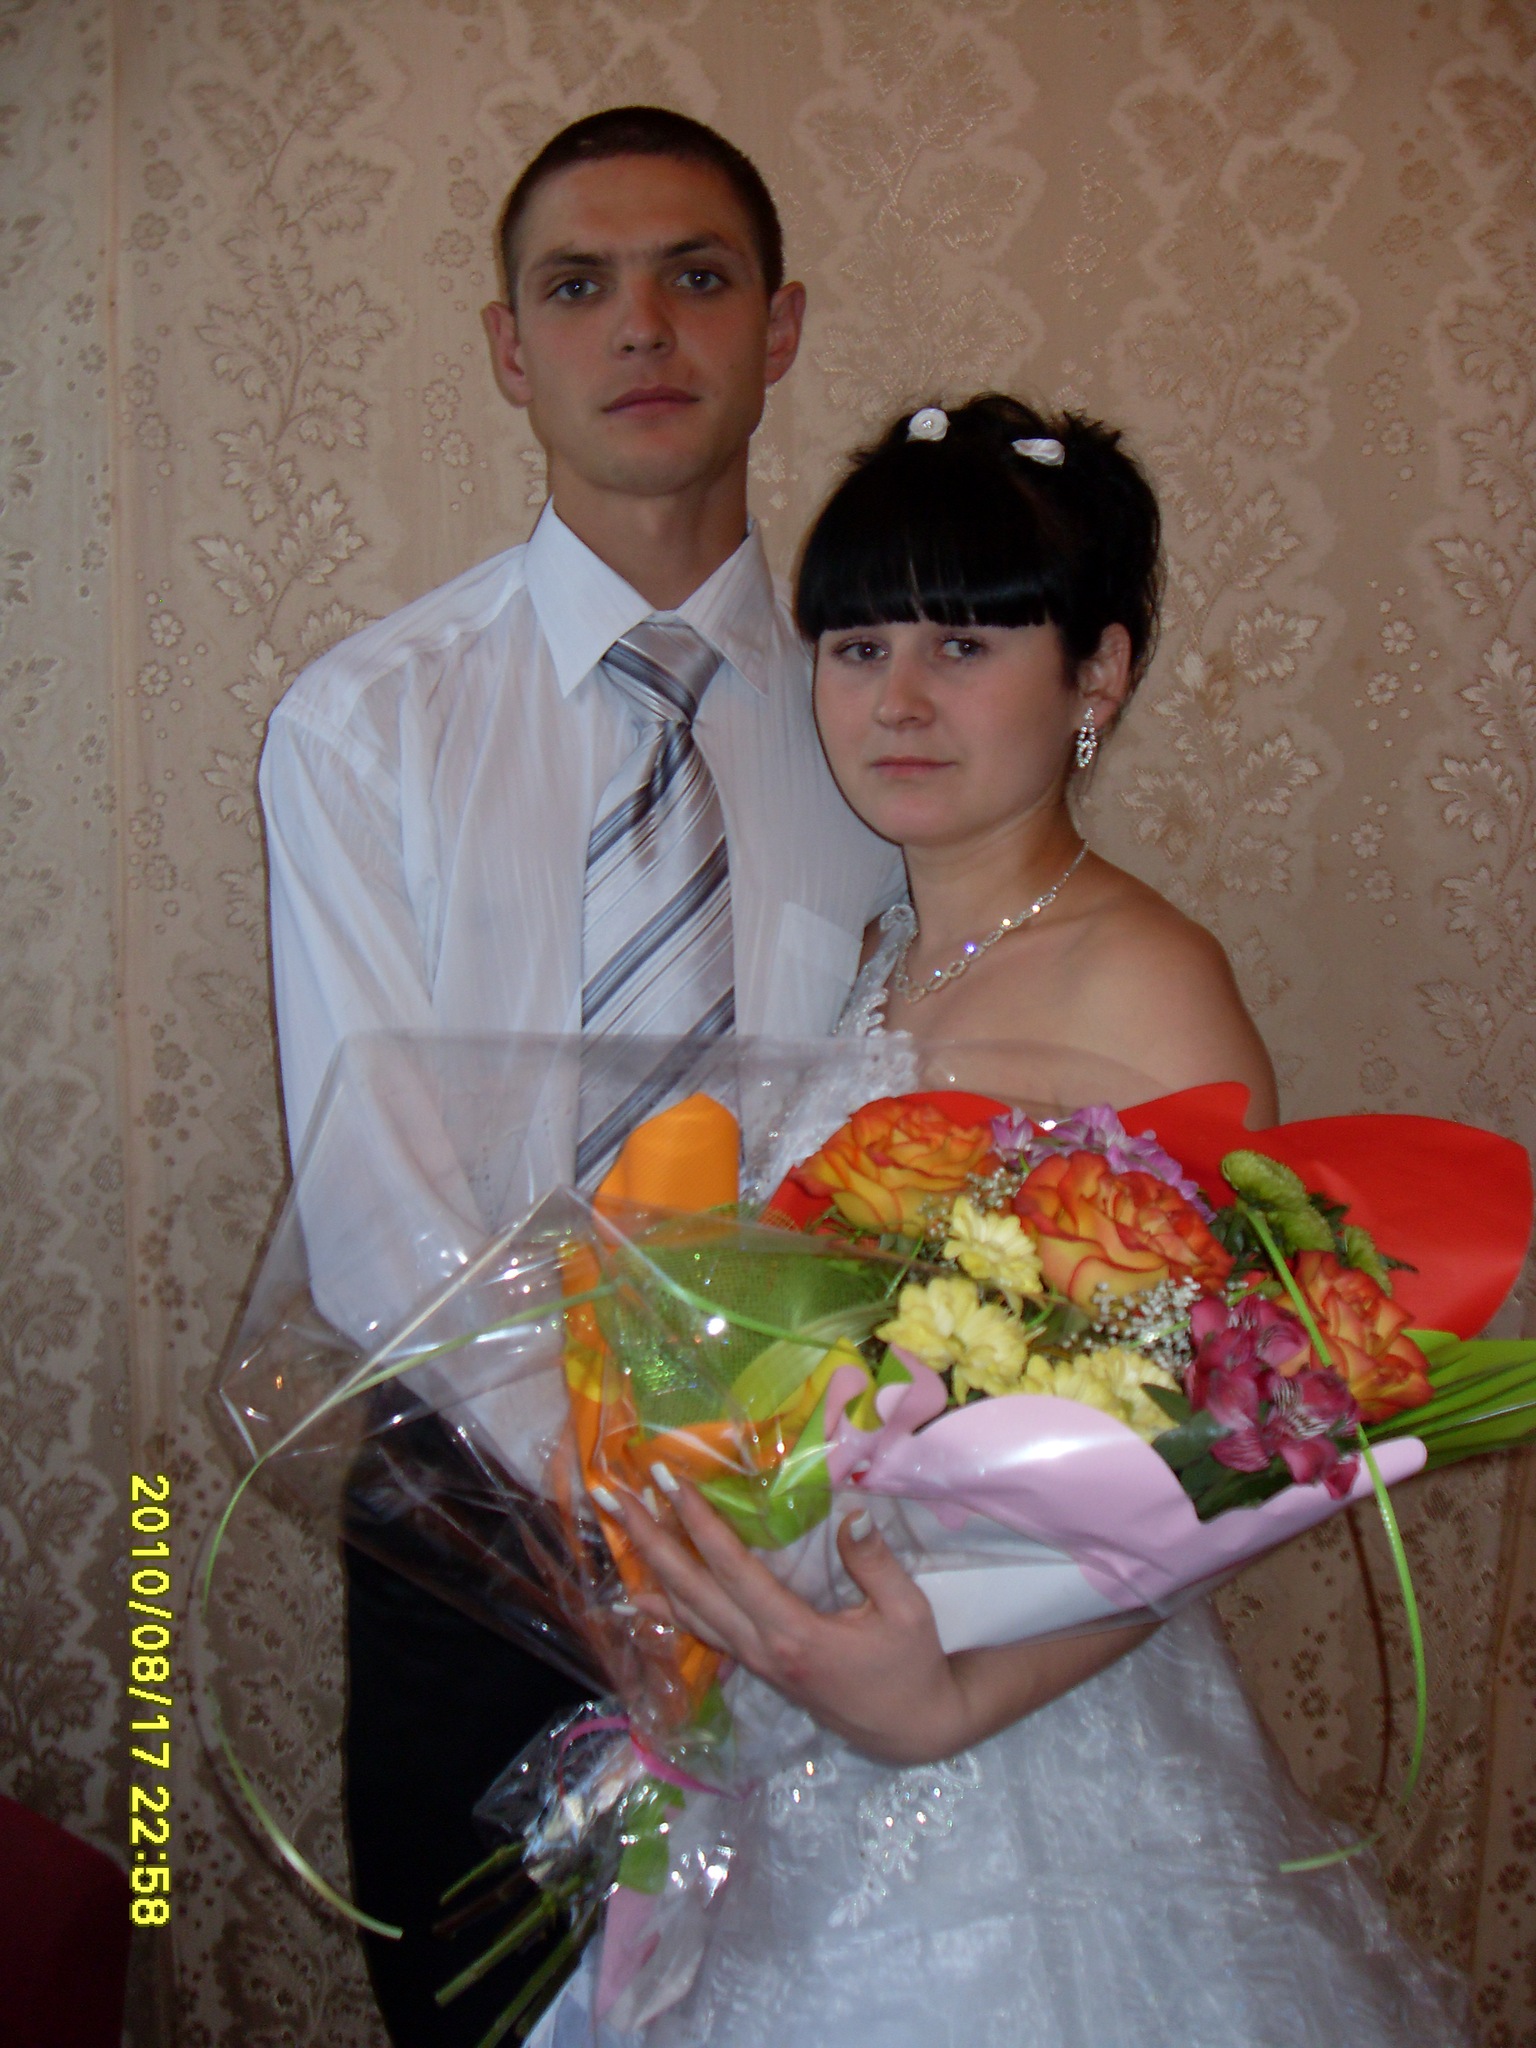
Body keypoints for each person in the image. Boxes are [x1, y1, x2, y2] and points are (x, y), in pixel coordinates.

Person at [566, 397, 1467, 2046]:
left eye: (966, 645)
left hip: (1017, 1765)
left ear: (1098, 673)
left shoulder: (1146, 977)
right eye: (857, 647)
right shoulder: (865, 962)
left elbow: (1236, 1447)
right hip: (792, 1714)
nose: (897, 699)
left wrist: (951, 1698)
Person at [258, 107, 899, 2046]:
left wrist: (763, 1498)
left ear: (780, 327)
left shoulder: (893, 725)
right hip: (483, 1514)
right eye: (577, 285)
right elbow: (372, 1193)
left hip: (818, 1520)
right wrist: (610, 1494)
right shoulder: (365, 722)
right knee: (480, 2012)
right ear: (505, 344)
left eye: (696, 276)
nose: (641, 326)